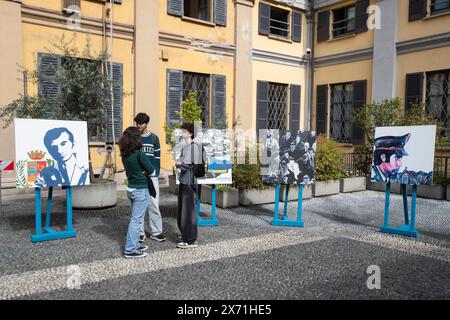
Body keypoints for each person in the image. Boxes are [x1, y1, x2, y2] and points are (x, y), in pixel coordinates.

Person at [119, 126, 155, 259]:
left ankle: (135, 245)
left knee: (136, 219)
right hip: (140, 190)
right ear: (136, 138)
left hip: (131, 188)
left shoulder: (124, 154)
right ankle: (130, 249)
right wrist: (145, 171)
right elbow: (151, 170)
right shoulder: (140, 153)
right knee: (136, 220)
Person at [134, 113, 166, 243]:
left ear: (146, 123)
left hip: (151, 177)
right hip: (139, 178)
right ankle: (140, 233)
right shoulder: (135, 138)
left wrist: (155, 173)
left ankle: (156, 232)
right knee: (139, 205)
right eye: (137, 123)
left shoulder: (154, 138)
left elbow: (157, 158)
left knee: (154, 205)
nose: (138, 126)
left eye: (140, 123)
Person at [175, 122, 207, 249]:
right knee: (184, 210)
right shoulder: (189, 146)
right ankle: (186, 234)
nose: (182, 133)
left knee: (188, 211)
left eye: (184, 131)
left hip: (188, 181)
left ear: (190, 133)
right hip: (186, 181)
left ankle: (190, 239)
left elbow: (184, 165)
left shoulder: (192, 147)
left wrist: (177, 164)